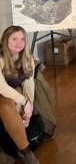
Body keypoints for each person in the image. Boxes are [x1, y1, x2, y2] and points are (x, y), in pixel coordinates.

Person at [0, 26, 39, 164]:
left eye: (22, 38)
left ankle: (26, 152)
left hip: (11, 93)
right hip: (3, 90)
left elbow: (29, 86)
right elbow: (2, 87)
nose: (19, 43)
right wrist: (24, 102)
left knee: (5, 105)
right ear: (6, 41)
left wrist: (29, 108)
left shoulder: (27, 59)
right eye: (14, 39)